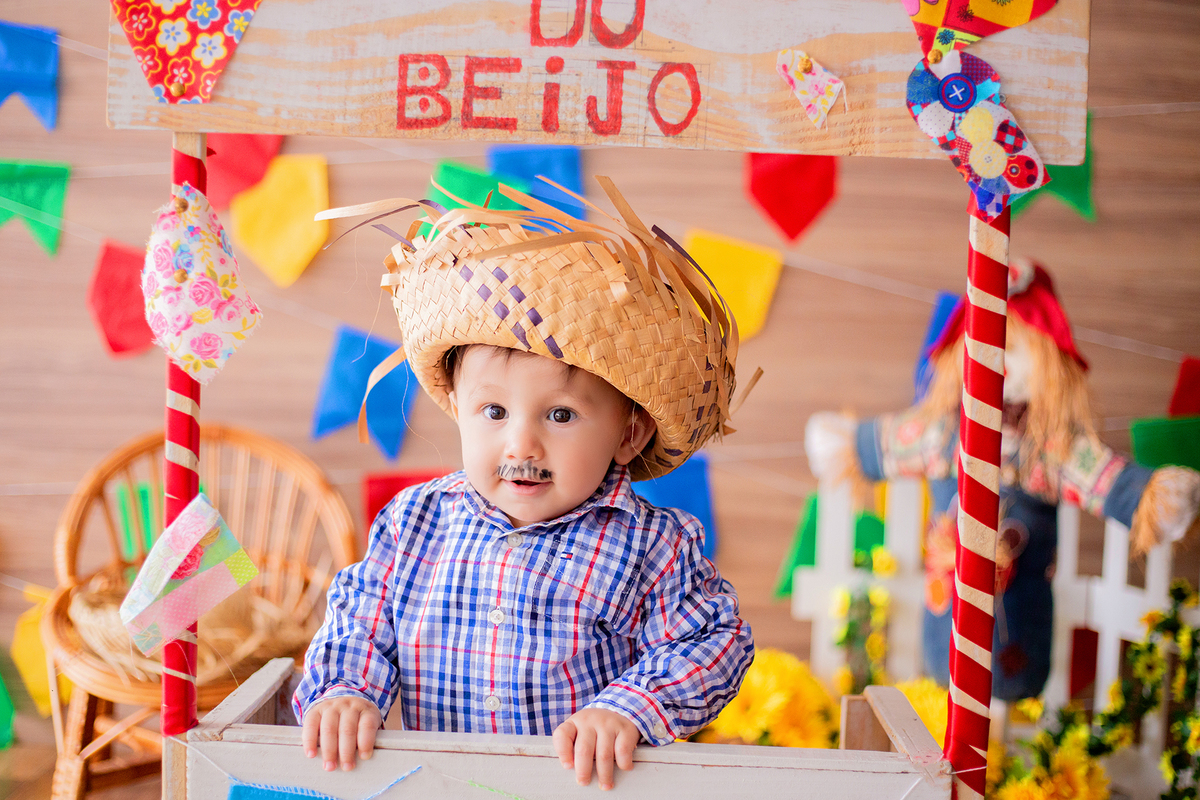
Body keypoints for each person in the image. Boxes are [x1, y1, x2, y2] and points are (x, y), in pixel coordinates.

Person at [293, 179, 754, 791]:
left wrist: (629, 707)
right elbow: (360, 619)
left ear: (629, 434)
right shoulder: (415, 524)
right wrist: (348, 690)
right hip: (441, 786)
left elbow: (714, 639)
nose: (520, 445)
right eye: (494, 413)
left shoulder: (650, 546)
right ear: (457, 406)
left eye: (560, 416)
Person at [805, 258, 1200, 700]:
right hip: (946, 619)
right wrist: (848, 444)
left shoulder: (1051, 446)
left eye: (1016, 350)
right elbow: (890, 442)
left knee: (1012, 680)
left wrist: (1150, 496)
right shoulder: (942, 431)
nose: (1003, 365)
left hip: (1020, 627)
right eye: (993, 347)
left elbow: (1104, 479)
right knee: (948, 684)